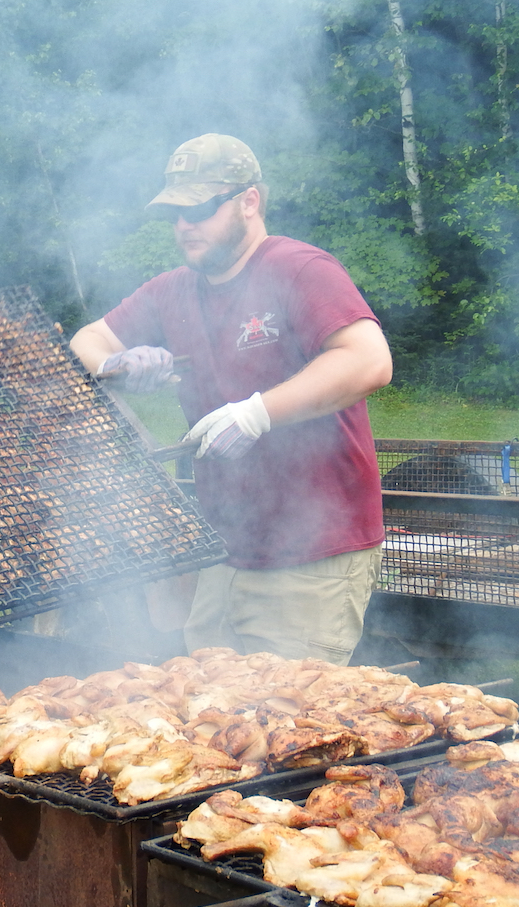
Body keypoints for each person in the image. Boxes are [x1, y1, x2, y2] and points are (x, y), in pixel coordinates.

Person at [71, 133, 391, 664]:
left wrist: (256, 413)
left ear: (249, 201)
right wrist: (116, 365)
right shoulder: (172, 289)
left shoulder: (300, 269)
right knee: (212, 720)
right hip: (224, 549)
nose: (184, 225)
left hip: (313, 550)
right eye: (175, 212)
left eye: (199, 208)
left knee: (291, 725)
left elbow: (368, 360)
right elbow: (85, 342)